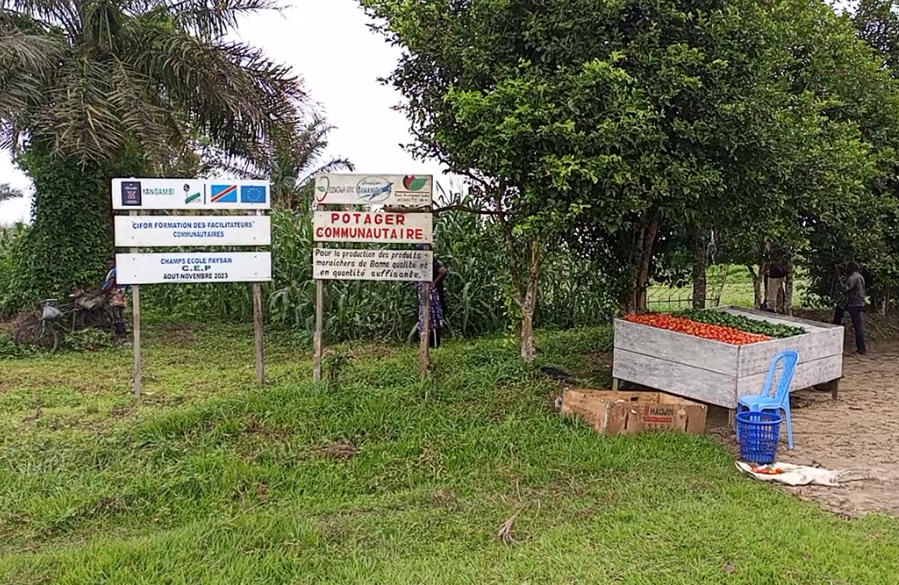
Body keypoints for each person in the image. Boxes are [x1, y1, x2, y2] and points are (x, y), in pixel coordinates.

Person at [833, 261, 866, 355]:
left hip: (854, 304)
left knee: (857, 327)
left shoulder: (853, 277)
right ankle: (861, 349)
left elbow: (844, 289)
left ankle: (861, 349)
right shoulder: (859, 276)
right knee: (858, 326)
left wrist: (838, 277)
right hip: (858, 303)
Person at [417, 248, 448, 348]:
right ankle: (429, 345)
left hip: (431, 294)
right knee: (428, 319)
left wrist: (434, 284)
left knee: (432, 319)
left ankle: (434, 345)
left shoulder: (429, 260)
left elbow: (443, 272)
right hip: (424, 294)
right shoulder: (423, 261)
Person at [100, 258, 128, 341]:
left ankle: (122, 334)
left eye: (110, 264)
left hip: (118, 295)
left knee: (117, 315)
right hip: (119, 295)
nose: (109, 266)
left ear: (115, 263)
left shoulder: (114, 271)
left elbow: (110, 283)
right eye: (108, 264)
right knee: (117, 315)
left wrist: (103, 291)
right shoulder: (116, 271)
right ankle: (120, 333)